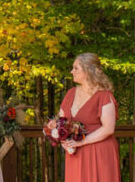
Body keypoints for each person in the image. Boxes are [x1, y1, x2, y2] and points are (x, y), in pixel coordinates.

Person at [51, 53, 119, 181]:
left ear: (88, 70)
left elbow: (109, 128)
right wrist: (55, 130)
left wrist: (82, 142)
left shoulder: (104, 95)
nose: (72, 71)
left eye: (76, 68)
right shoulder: (70, 93)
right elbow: (60, 121)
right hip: (75, 152)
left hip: (99, 152)